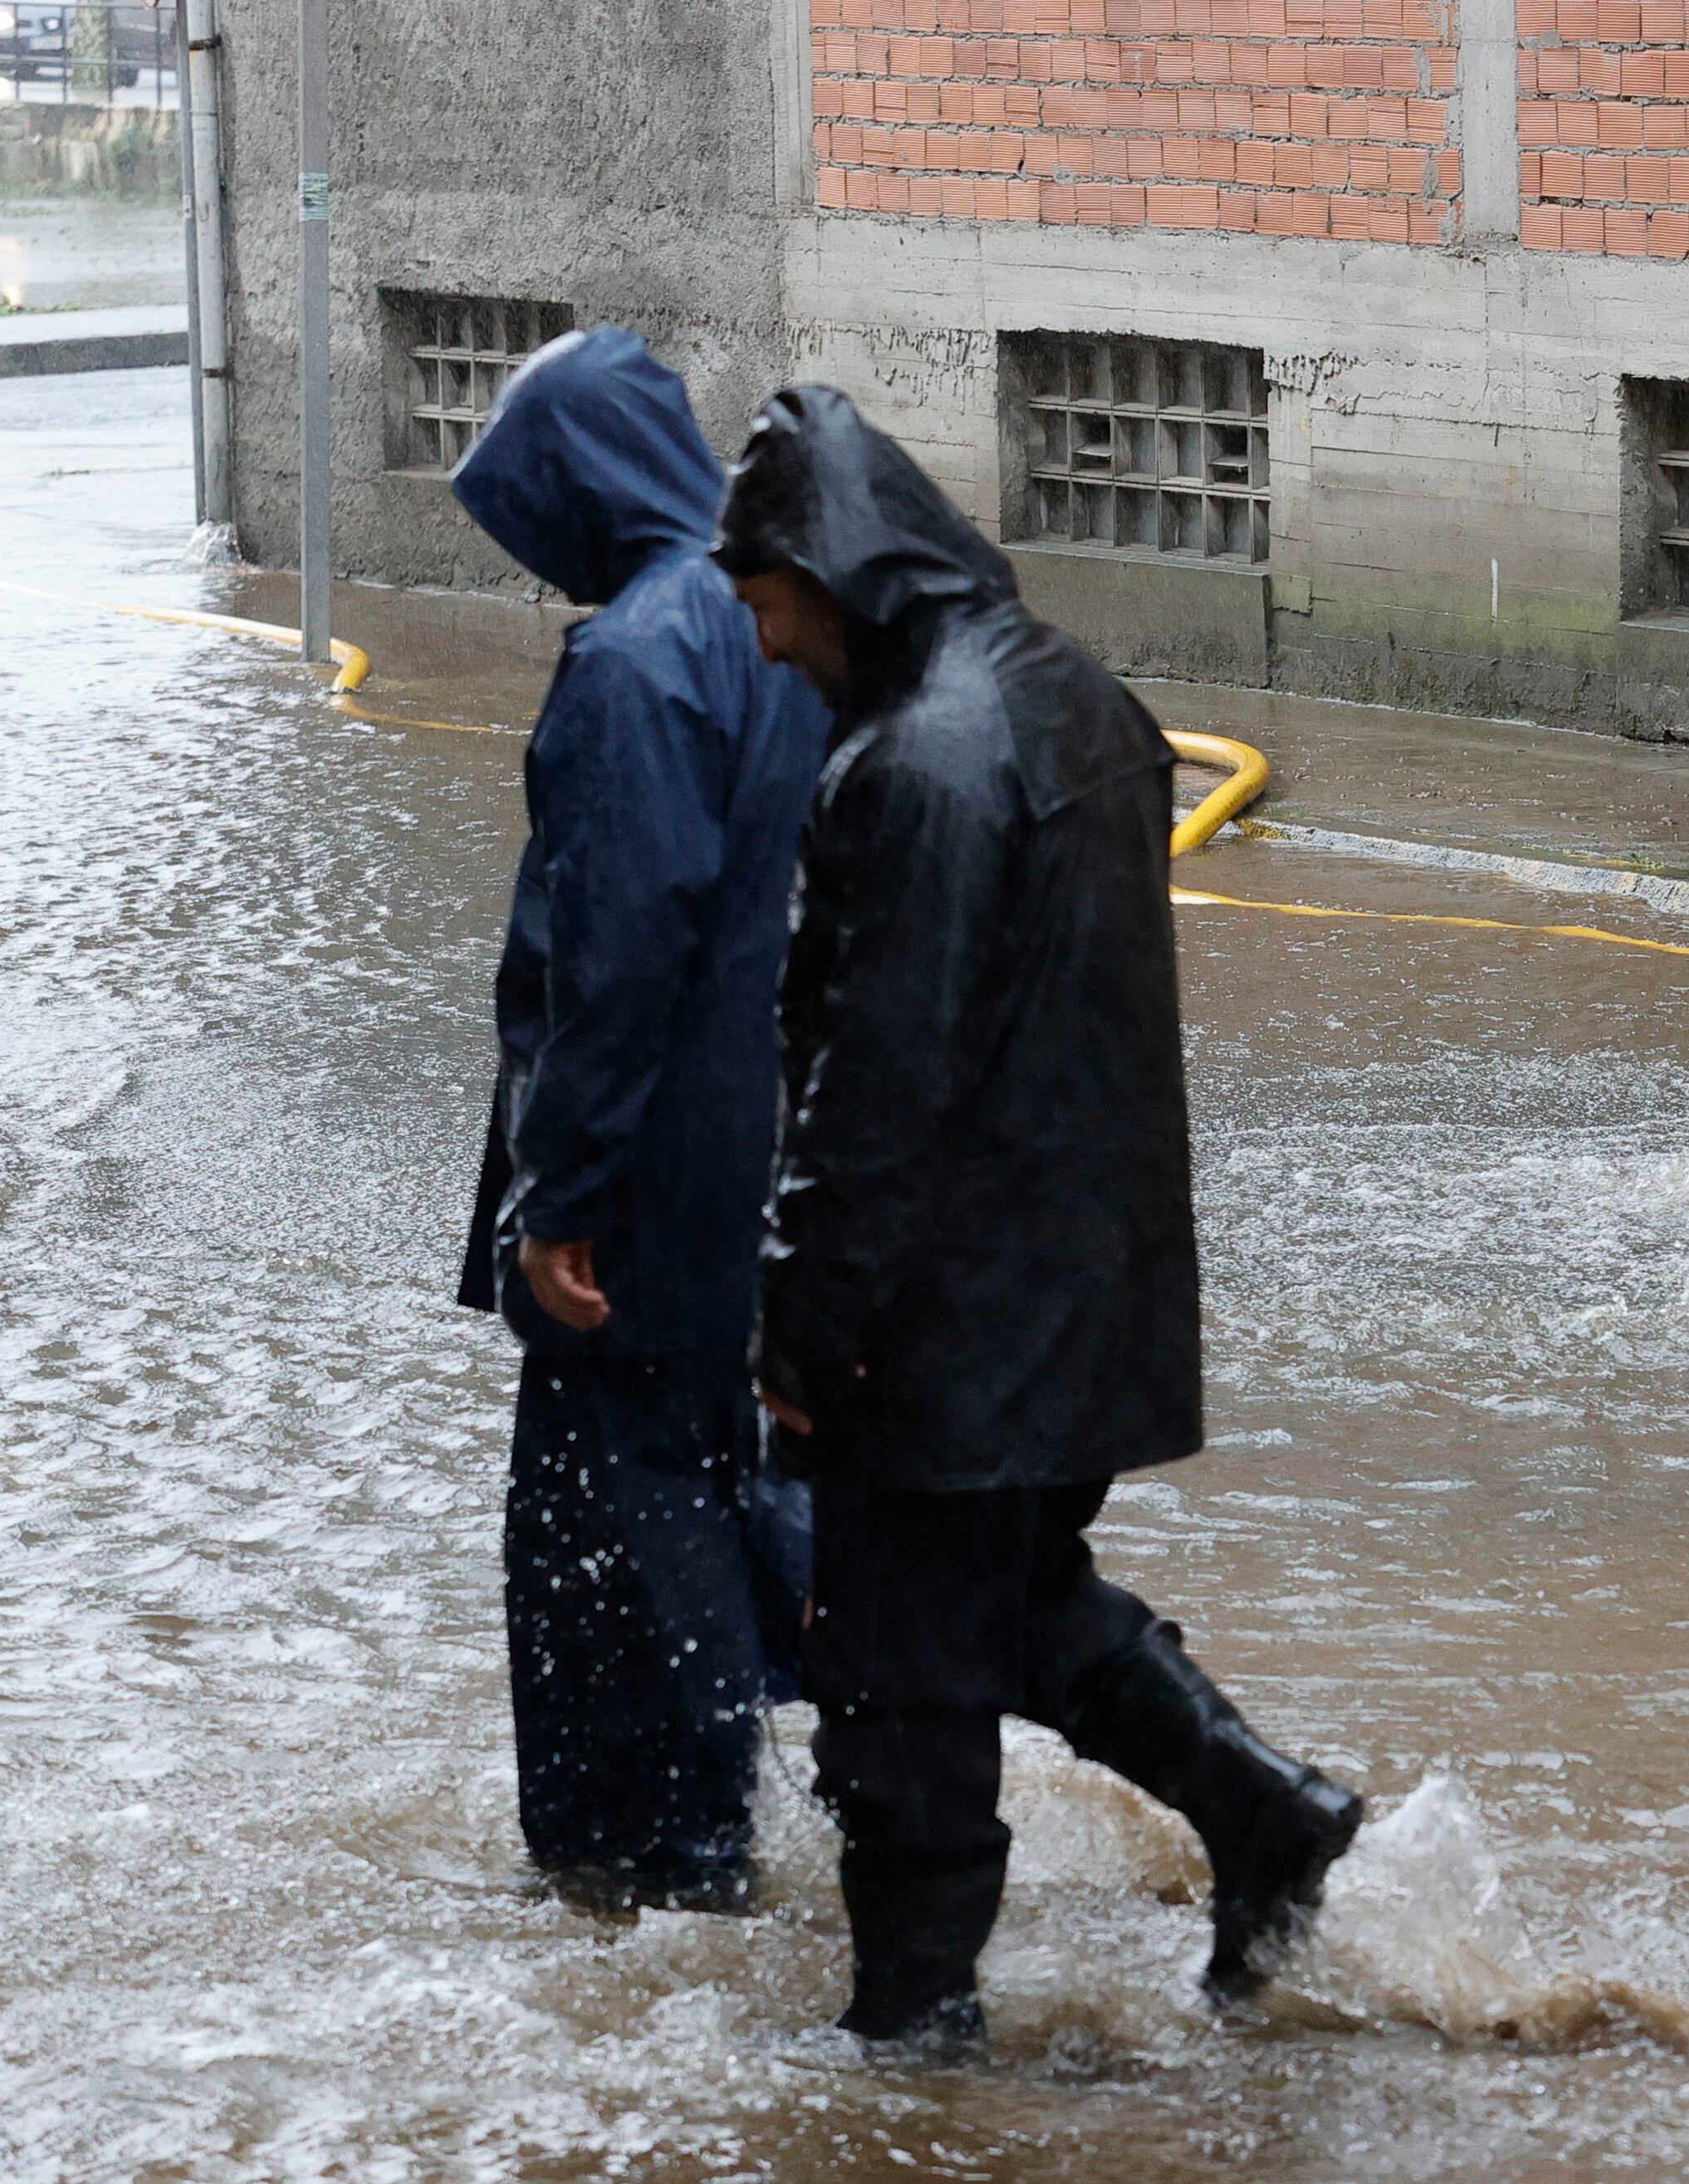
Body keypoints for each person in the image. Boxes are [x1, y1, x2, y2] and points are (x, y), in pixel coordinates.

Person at [707, 383, 1363, 2043]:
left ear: (833, 572)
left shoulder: (916, 765)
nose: (768, 646)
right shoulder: (1080, 699)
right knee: (1007, 1605)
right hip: (1087, 1287)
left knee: (894, 1671)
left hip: (947, 1321)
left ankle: (911, 2023)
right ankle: (1266, 1811)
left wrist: (800, 1329)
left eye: (770, 604)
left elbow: (872, 1088)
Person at [449, 326, 831, 1911]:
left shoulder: (633, 661)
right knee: (736, 1474)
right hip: (769, 1160)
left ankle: (658, 1860)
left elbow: (609, 953)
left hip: (648, 1181)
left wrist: (558, 1199)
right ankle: (814, 1784)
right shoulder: (781, 625)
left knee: (614, 1515)